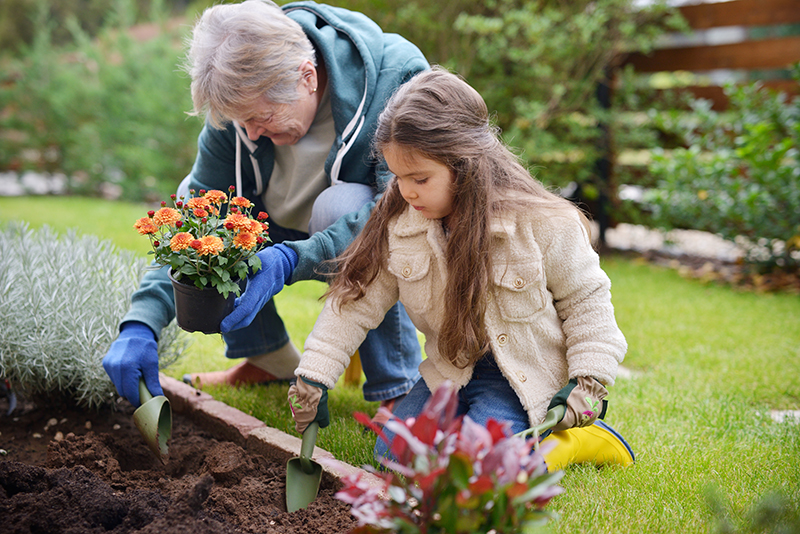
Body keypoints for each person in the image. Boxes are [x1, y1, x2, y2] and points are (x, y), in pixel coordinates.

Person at [281, 68, 635, 470]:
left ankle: (575, 440)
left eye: (420, 178)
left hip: (523, 377)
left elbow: (586, 300)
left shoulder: (543, 223)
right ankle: (482, 430)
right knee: (395, 456)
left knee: (478, 468)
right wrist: (314, 375)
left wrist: (589, 381)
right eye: (397, 177)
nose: (406, 191)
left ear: (465, 164)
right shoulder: (400, 221)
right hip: (452, 370)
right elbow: (356, 300)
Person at [102, 0, 428, 415]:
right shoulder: (240, 108)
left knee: (341, 203)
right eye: (243, 122)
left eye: (263, 117)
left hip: (349, 224)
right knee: (203, 203)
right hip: (273, 224)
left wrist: (290, 259)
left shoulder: (395, 79)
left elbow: (397, 213)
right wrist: (140, 322)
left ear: (306, 77)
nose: (252, 132)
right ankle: (268, 359)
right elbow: (196, 212)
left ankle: (395, 388)